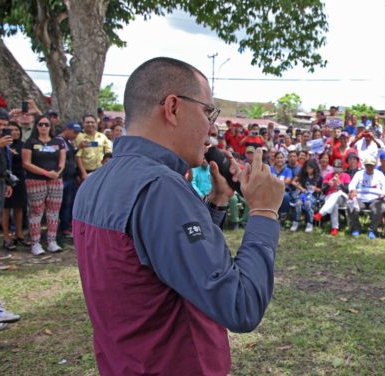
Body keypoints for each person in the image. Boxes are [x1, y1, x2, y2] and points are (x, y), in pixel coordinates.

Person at [73, 57, 284, 375]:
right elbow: (241, 305)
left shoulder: (95, 183)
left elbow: (170, 264)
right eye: (207, 112)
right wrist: (265, 211)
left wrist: (217, 202)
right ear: (172, 108)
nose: (212, 129)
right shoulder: (160, 188)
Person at [22, 115, 66, 255]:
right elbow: (26, 163)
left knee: (53, 212)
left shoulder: (58, 142)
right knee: (36, 211)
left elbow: (62, 162)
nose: (44, 127)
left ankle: (52, 241)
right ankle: (35, 243)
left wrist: (56, 173)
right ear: (36, 126)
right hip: (35, 180)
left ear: (50, 127)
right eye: (41, 124)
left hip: (56, 180)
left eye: (47, 124)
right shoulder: (30, 142)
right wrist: (46, 173)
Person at [0, 109, 14, 269]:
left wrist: (8, 182)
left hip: (0, 182)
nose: (1, 127)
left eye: (4, 125)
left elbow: (4, 162)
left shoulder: (1, 138)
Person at [0, 121, 29, 251]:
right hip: (6, 178)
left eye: (17, 130)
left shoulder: (23, 145)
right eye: (11, 130)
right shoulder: (2, 144)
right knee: (6, 209)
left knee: (19, 207)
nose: (15, 132)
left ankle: (19, 234)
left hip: (20, 179)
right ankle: (6, 237)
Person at [347, 156, 385, 239]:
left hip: (375, 198)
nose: (369, 167)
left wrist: (383, 194)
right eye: (367, 165)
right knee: (350, 206)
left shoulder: (379, 174)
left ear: (375, 165)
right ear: (364, 165)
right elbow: (352, 184)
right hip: (360, 197)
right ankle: (356, 228)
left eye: (371, 165)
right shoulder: (359, 174)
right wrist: (352, 190)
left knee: (380, 208)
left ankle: (372, 230)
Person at [56, 122, 82, 241]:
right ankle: (62, 228)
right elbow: (62, 155)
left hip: (70, 176)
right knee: (62, 204)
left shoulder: (69, 142)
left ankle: (66, 226)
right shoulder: (58, 140)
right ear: (67, 129)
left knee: (69, 203)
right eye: (74, 132)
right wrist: (78, 148)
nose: (75, 135)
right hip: (62, 177)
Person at [314, 158, 351, 235]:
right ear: (333, 167)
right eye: (335, 167)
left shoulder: (346, 176)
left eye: (339, 167)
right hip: (329, 198)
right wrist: (328, 185)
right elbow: (323, 191)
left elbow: (348, 190)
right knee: (334, 205)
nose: (337, 169)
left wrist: (340, 184)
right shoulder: (328, 176)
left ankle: (321, 213)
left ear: (342, 167)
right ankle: (335, 228)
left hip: (342, 198)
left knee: (337, 193)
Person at [75, 113, 112, 181]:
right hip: (85, 171)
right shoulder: (79, 137)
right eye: (87, 122)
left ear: (96, 124)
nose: (90, 124)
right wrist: (83, 173)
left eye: (92, 122)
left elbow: (108, 151)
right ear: (83, 124)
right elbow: (78, 157)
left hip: (100, 170)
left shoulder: (102, 136)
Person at [290, 159, 322, 233]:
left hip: (313, 196)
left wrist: (315, 188)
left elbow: (321, 190)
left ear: (314, 168)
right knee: (298, 203)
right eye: (307, 168)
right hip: (303, 194)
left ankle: (309, 223)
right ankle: (295, 222)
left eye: (310, 168)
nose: (308, 170)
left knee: (308, 204)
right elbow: (293, 182)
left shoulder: (319, 177)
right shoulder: (303, 175)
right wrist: (301, 188)